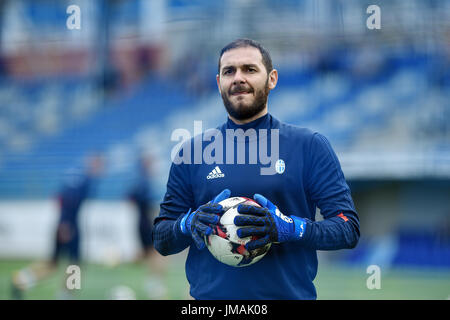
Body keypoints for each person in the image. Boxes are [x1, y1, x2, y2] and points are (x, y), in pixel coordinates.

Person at [153, 39, 360, 299]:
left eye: (249, 69)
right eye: (229, 71)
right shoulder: (192, 152)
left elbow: (347, 228)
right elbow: (161, 237)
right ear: (218, 83)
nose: (238, 78)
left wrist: (290, 228)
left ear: (272, 79)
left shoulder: (309, 146)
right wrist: (187, 223)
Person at [11, 154, 104, 299]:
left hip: (64, 223)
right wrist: (66, 223)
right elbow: (69, 200)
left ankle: (22, 279)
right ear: (94, 163)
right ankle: (66, 295)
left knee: (54, 263)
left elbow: (59, 197)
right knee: (75, 264)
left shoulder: (76, 176)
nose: (102, 169)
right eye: (100, 165)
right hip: (69, 226)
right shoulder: (84, 179)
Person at [126, 155, 168, 299]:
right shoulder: (144, 181)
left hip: (140, 220)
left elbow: (129, 198)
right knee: (156, 253)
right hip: (147, 221)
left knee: (149, 253)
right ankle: (155, 283)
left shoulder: (138, 180)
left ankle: (152, 281)